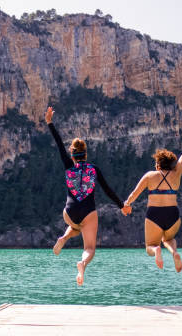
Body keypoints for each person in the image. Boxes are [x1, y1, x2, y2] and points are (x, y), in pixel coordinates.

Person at [45, 106, 131, 285]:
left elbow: (59, 144)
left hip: (69, 212)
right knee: (89, 247)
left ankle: (65, 237)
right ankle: (82, 264)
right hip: (88, 212)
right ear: (85, 154)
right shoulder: (94, 170)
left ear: (72, 155)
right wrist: (122, 206)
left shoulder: (68, 166)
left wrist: (50, 123)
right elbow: (108, 190)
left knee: (76, 227)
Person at [123, 120, 182, 272]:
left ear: (158, 164)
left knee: (150, 246)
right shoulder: (176, 175)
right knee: (169, 239)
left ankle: (157, 251)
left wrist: (126, 204)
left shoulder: (150, 176)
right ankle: (174, 253)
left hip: (154, 214)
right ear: (172, 165)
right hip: (173, 214)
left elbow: (134, 194)